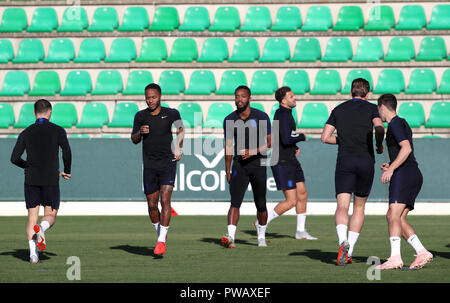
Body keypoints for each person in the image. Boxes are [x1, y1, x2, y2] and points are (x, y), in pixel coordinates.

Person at [321, 78, 385, 266]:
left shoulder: (339, 109)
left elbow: (325, 137)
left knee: (342, 206)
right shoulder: (372, 108)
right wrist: (379, 144)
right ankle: (350, 252)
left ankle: (343, 241)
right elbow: (380, 127)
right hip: (365, 161)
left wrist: (343, 140)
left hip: (345, 161)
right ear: (368, 94)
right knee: (359, 207)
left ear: (351, 92)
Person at [375, 94, 433, 270]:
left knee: (393, 215)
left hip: (405, 174)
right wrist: (392, 164)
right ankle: (422, 252)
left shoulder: (394, 124)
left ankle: (395, 258)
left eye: (379, 110)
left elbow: (406, 148)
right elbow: (404, 149)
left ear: (382, 107)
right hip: (410, 173)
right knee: (396, 217)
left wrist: (392, 169)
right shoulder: (402, 122)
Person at [10, 99, 72, 264]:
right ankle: (42, 229)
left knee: (32, 217)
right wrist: (67, 170)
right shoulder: (58, 130)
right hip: (50, 178)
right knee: (50, 215)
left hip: (31, 178)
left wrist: (27, 166)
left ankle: (33, 255)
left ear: (34, 113)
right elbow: (67, 152)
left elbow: (14, 158)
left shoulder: (26, 132)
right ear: (50, 112)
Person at [131, 83, 184, 256]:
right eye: (148, 97)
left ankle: (161, 241)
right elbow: (134, 139)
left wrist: (178, 146)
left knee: (165, 200)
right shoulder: (140, 116)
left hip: (168, 162)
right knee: (152, 205)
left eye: (153, 97)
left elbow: (181, 130)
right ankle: (161, 234)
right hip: (149, 165)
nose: (150, 100)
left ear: (160, 96)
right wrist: (140, 132)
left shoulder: (171, 113)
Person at [222, 85, 271, 248]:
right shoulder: (229, 119)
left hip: (259, 164)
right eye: (237, 96)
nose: (239, 99)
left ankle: (261, 237)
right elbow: (229, 146)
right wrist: (227, 169)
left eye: (243, 96)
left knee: (261, 203)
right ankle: (230, 237)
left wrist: (253, 152)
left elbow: (271, 143)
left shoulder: (262, 116)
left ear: (250, 98)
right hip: (239, 165)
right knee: (235, 202)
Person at [265, 86, 317, 240]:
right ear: (283, 100)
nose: (295, 98)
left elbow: (285, 137)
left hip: (290, 159)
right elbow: (286, 139)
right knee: (291, 201)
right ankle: (262, 222)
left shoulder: (287, 114)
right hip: (282, 161)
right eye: (291, 96)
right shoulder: (281, 114)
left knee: (302, 194)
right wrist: (301, 137)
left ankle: (300, 231)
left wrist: (295, 146)